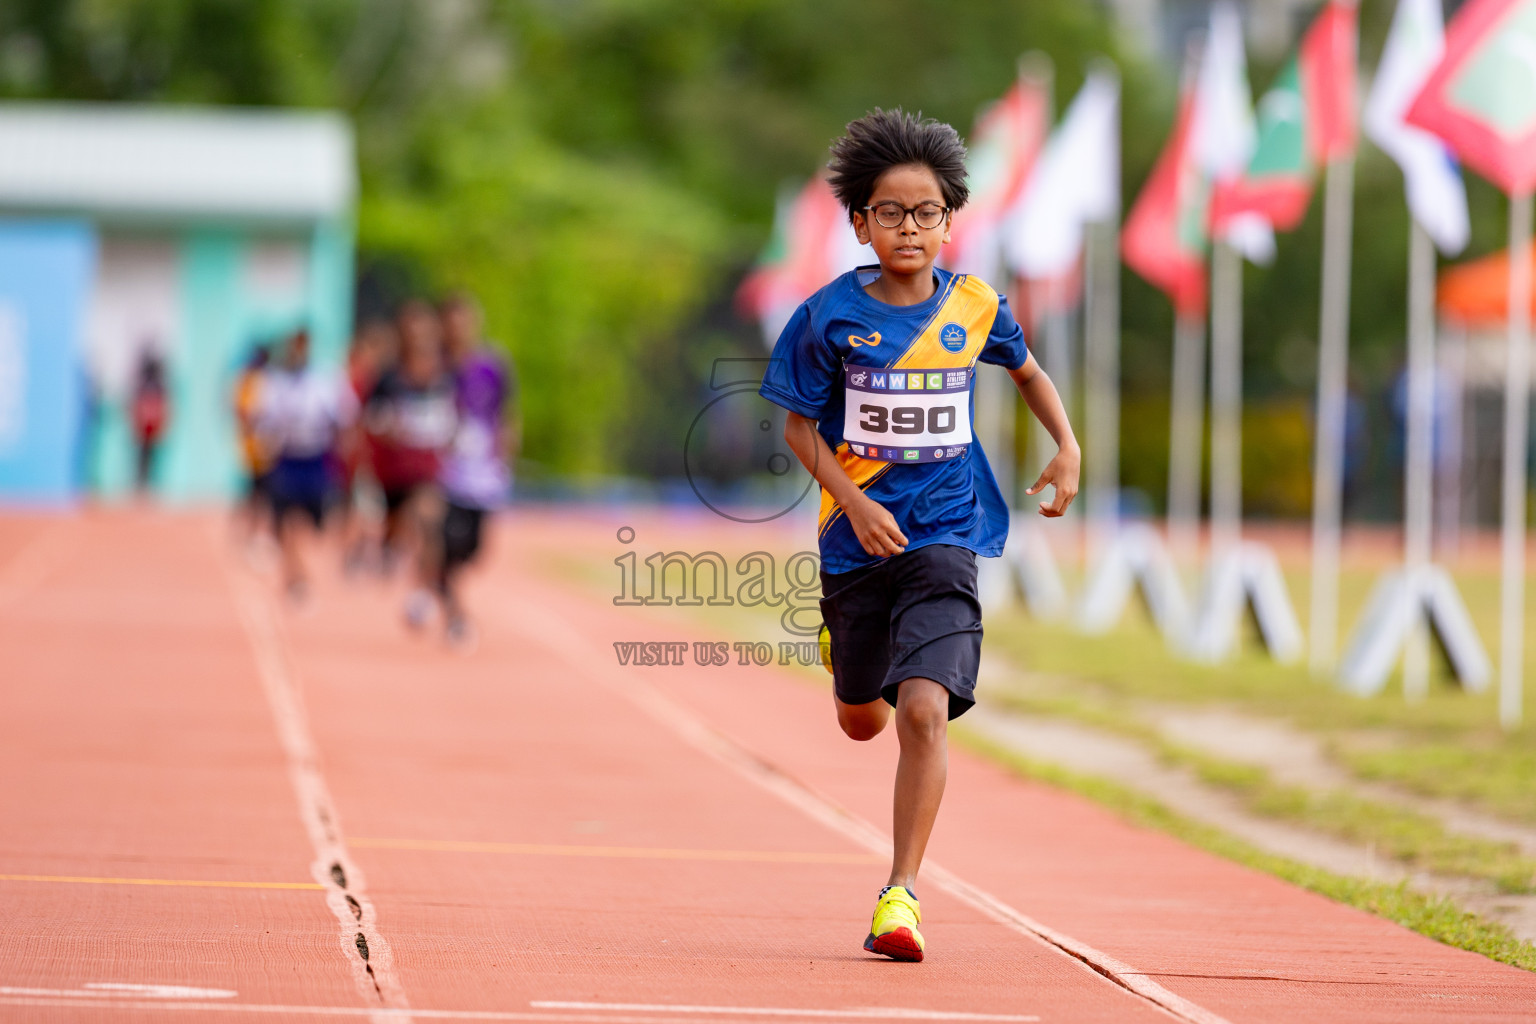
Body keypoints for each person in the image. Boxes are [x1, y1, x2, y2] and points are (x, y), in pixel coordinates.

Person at [758, 109, 1079, 962]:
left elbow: (1029, 372)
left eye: (927, 212)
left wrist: (1068, 446)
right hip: (855, 543)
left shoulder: (975, 306)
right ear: (860, 223)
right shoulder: (826, 318)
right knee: (862, 719)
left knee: (925, 714)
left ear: (950, 220)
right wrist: (854, 505)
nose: (910, 227)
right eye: (891, 213)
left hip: (945, 532)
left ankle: (899, 896)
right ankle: (846, 656)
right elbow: (797, 430)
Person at [362, 300, 457, 620]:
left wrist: (451, 437)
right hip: (393, 471)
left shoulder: (444, 377)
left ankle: (423, 591)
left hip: (427, 470)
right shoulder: (389, 378)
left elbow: (454, 417)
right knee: (397, 530)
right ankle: (391, 550)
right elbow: (370, 419)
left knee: (429, 521)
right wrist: (388, 429)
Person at [434, 292, 517, 646]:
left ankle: (432, 578)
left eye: (465, 321)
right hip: (443, 472)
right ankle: (455, 614)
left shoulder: (493, 364)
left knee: (474, 551)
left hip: (482, 472)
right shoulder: (436, 366)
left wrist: (506, 450)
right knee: (443, 541)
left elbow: (507, 412)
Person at [256, 328, 357, 600]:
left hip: (318, 459)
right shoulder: (274, 382)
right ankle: (296, 578)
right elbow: (264, 420)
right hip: (288, 459)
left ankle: (338, 561)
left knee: (319, 525)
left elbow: (345, 418)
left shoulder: (326, 379)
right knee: (289, 520)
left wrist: (346, 453)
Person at [130, 350, 169, 492]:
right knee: (144, 456)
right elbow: (137, 405)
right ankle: (141, 483)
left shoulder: (155, 384)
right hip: (145, 427)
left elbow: (162, 405)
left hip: (151, 426)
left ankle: (147, 484)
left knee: (149, 456)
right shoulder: (149, 384)